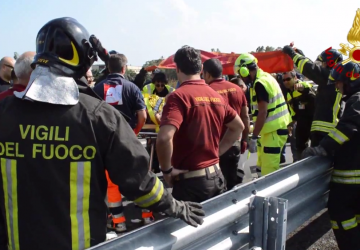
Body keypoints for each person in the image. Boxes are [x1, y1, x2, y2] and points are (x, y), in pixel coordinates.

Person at [0, 17, 204, 250]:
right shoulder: (99, 117)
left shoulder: (4, 113)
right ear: (81, 60)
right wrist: (176, 206)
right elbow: (139, 181)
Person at [156, 46, 244, 202]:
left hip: (191, 183)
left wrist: (167, 170)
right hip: (216, 177)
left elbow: (164, 138)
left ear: (177, 69)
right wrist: (217, 152)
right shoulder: (214, 95)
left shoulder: (178, 97)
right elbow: (238, 126)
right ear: (201, 68)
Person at [302, 61, 360, 250]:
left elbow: (347, 128)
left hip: (351, 176)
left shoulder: (358, 100)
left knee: (340, 214)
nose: (336, 85)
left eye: (339, 82)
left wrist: (323, 147)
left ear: (350, 81)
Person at [234, 53, 291, 176]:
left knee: (268, 172)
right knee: (260, 168)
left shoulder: (260, 83)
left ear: (244, 70)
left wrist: (254, 137)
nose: (240, 76)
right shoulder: (267, 77)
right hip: (272, 130)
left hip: (273, 133)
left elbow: (263, 112)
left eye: (240, 73)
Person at [203, 58, 250, 189]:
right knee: (232, 180)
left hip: (215, 146)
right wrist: (245, 139)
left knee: (216, 183)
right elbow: (245, 116)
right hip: (235, 141)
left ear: (207, 74)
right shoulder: (237, 89)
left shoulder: (206, 91)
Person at [283, 46, 343, 147]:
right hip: (327, 131)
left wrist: (292, 54)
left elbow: (311, 69)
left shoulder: (331, 77)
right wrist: (300, 55)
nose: (322, 65)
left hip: (325, 132)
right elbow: (313, 70)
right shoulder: (335, 78)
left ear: (329, 63)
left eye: (323, 63)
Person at [93, 53, 147, 136]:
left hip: (102, 136)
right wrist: (135, 132)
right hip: (126, 135)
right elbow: (143, 116)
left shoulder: (97, 88)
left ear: (109, 68)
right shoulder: (133, 88)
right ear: (123, 69)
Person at [282, 70, 315, 161]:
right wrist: (291, 123)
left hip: (314, 121)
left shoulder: (301, 86)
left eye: (288, 79)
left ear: (295, 78)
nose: (286, 82)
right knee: (299, 146)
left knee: (316, 145)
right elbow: (293, 111)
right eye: (284, 80)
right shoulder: (289, 94)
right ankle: (301, 165)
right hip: (301, 122)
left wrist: (302, 87)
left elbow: (307, 87)